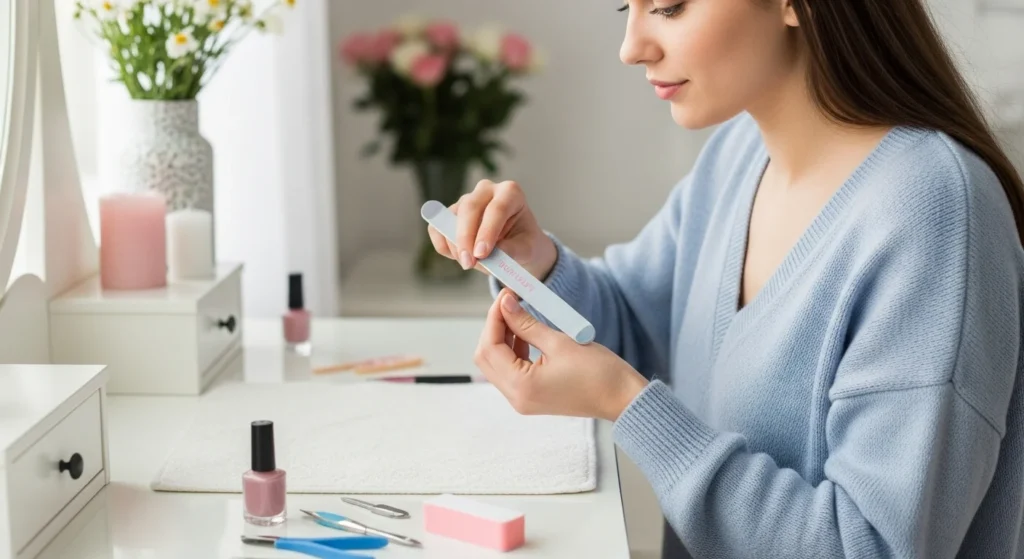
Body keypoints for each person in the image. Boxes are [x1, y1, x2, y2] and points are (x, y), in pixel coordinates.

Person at [427, 1, 1024, 557]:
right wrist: (534, 267)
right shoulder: (739, 152)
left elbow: (866, 545)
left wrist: (626, 403)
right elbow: (632, 321)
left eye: (669, 6)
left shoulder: (933, 212)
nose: (631, 47)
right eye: (624, 7)